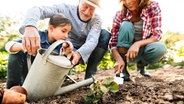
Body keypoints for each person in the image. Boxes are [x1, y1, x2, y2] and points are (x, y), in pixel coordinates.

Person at [19, 0, 111, 79]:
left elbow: (92, 41)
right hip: (63, 49)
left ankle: (90, 76)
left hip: (82, 52)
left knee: (105, 34)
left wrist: (78, 54)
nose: (87, 12)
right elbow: (38, 9)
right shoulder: (64, 9)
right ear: (79, 1)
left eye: (92, 9)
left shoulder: (96, 20)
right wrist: (30, 26)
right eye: (85, 6)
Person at [5, 13, 73, 89]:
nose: (66, 36)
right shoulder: (37, 36)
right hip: (28, 76)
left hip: (43, 81)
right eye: (63, 31)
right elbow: (9, 45)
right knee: (15, 55)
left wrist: (67, 52)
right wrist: (25, 46)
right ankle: (12, 89)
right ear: (51, 28)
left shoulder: (61, 45)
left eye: (68, 33)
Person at [109, 0, 167, 81]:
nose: (127, 2)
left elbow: (157, 35)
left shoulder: (153, 7)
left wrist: (137, 44)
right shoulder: (120, 13)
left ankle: (141, 66)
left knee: (160, 48)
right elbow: (113, 41)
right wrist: (118, 59)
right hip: (127, 53)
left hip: (143, 49)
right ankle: (123, 70)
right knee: (126, 25)